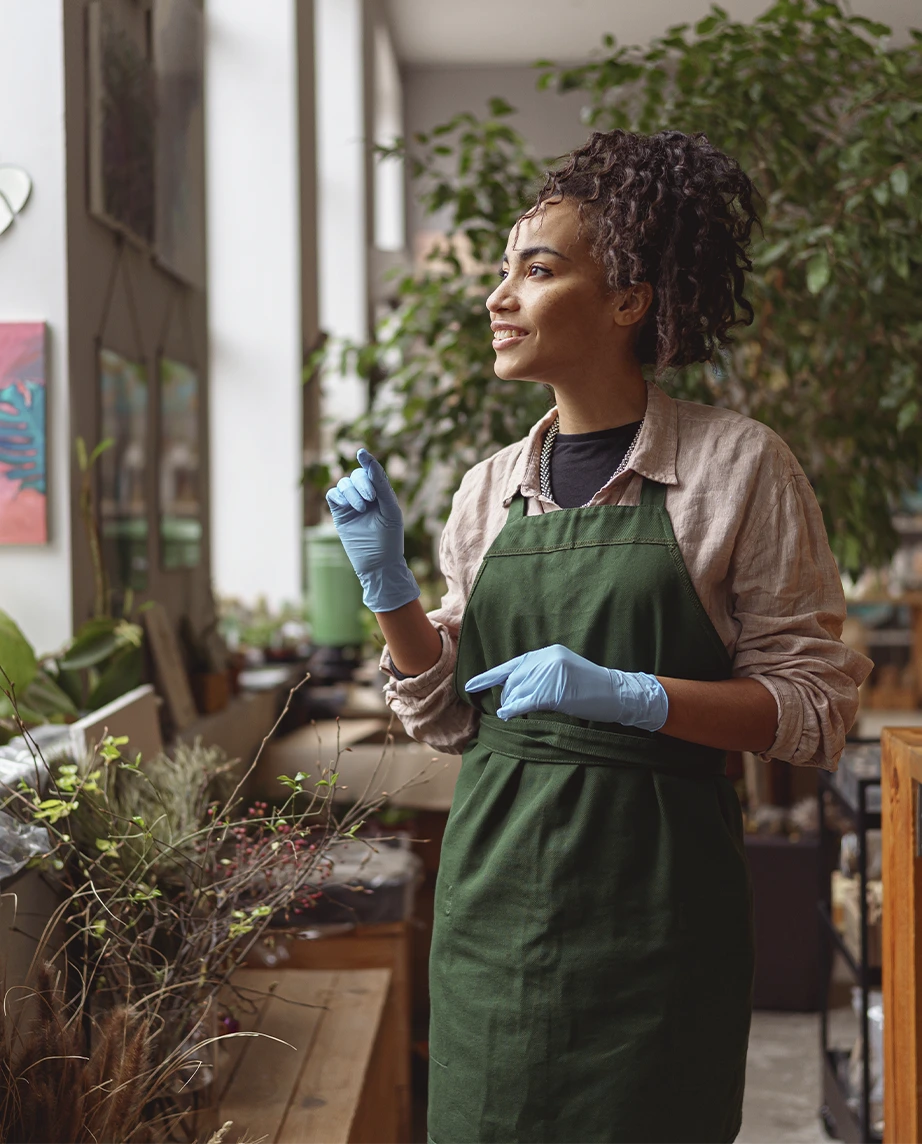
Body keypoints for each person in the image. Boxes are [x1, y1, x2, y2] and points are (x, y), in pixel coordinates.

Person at [325, 129, 873, 1144]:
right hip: (491, 909)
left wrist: (633, 695)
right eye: (503, 271)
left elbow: (815, 711)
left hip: (656, 915)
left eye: (537, 271)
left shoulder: (737, 468)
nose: (498, 298)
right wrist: (388, 588)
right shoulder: (487, 491)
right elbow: (448, 719)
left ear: (628, 300)